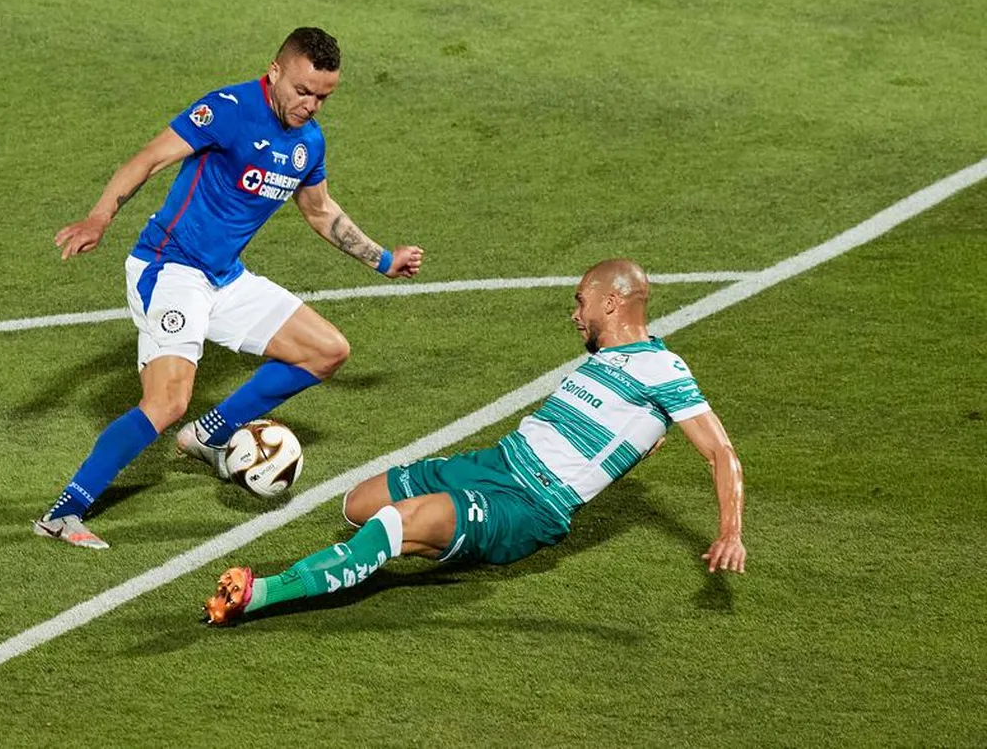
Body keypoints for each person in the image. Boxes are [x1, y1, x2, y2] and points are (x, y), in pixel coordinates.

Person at [34, 27, 425, 549]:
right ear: (276, 71)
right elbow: (149, 158)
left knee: (327, 351)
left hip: (225, 277)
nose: (311, 105)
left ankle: (211, 434)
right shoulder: (228, 108)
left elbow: (320, 211)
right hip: (169, 269)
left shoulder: (309, 143)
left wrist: (382, 258)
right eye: (303, 91)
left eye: (323, 97)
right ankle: (63, 514)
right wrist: (99, 218)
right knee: (168, 401)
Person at [204, 258, 745, 624]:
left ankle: (261, 594)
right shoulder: (608, 363)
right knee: (359, 506)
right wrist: (648, 434)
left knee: (395, 524)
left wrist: (730, 533)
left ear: (610, 304)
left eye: (581, 301)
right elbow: (623, 424)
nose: (574, 313)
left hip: (529, 503)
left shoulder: (663, 368)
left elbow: (720, 450)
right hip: (494, 461)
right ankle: (438, 532)